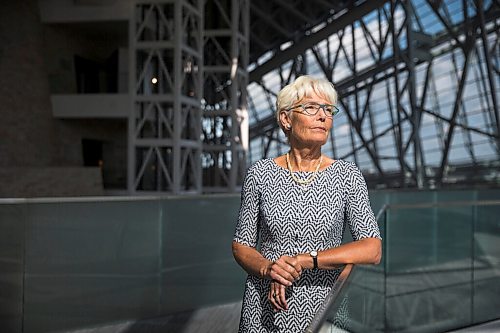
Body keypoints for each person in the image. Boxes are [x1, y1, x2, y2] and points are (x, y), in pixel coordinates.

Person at [232, 75, 382, 332]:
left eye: (328, 110)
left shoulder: (347, 175)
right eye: (311, 108)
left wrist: (304, 259)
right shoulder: (260, 173)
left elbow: (372, 248)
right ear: (286, 119)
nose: (323, 116)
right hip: (265, 308)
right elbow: (241, 245)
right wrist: (269, 269)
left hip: (326, 307)